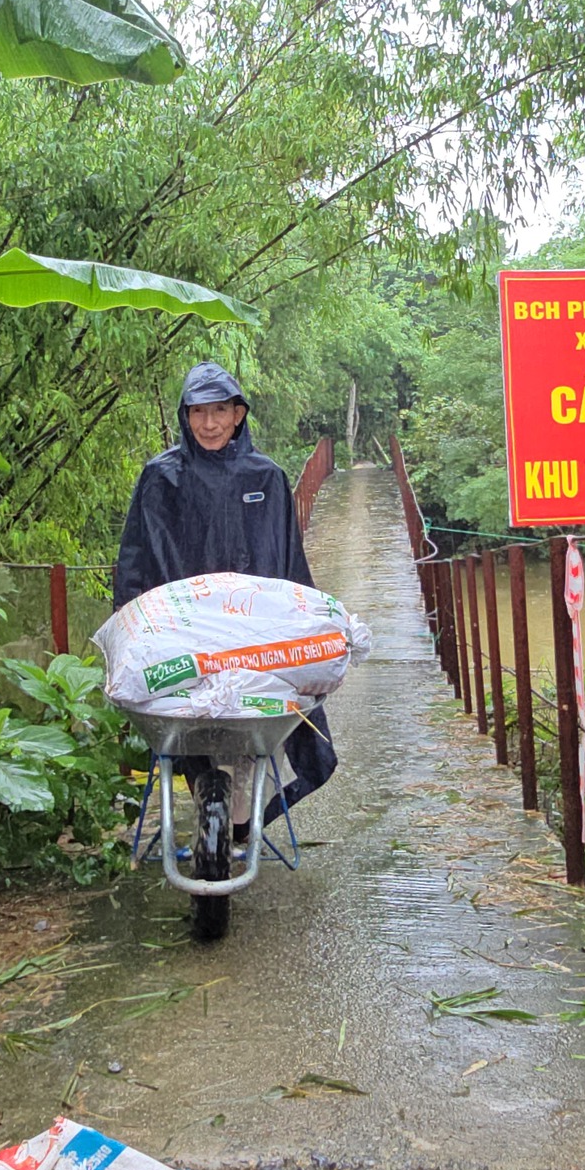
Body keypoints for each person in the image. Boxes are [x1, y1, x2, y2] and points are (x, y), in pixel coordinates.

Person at [113, 361, 338, 846]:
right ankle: (208, 793)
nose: (209, 424)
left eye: (220, 411)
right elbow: (135, 559)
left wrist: (309, 629)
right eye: (199, 412)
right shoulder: (161, 477)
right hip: (180, 635)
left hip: (251, 638)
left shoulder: (268, 477)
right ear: (185, 415)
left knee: (261, 730)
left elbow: (289, 563)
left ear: (239, 414)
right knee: (184, 722)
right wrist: (129, 628)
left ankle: (241, 817)